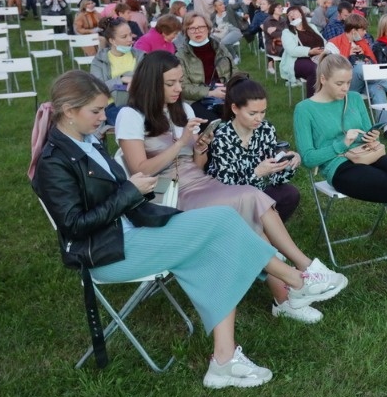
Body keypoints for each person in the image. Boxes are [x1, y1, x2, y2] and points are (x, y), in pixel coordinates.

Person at [30, 70, 334, 388]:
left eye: (104, 108)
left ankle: (225, 359)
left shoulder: (87, 142)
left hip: (132, 229)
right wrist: (129, 192)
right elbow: (75, 227)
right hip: (106, 251)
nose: (104, 117)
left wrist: (136, 192)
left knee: (222, 230)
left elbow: (115, 195)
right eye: (96, 111)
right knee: (222, 223)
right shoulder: (55, 161)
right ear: (68, 111)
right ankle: (297, 281)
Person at [117, 51, 345, 324]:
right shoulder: (131, 116)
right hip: (165, 195)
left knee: (251, 203)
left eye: (180, 81)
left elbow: (196, 165)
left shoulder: (183, 110)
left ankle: (298, 281)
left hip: (198, 182)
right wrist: (180, 144)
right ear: (152, 83)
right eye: (171, 83)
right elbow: (139, 170)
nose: (179, 88)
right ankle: (298, 282)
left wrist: (200, 148)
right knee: (248, 200)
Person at [294, 54, 387, 295]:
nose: (345, 88)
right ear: (323, 79)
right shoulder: (305, 109)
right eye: (339, 83)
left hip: (368, 156)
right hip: (339, 167)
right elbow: (308, 158)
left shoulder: (353, 99)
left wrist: (371, 136)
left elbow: (365, 131)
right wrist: (341, 143)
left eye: (348, 82)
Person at [207, 75, 301, 223]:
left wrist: (288, 165)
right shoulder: (222, 138)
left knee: (290, 194)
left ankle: (263, 232)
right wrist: (257, 173)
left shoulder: (266, 129)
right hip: (230, 202)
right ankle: (260, 233)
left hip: (258, 193)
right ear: (235, 109)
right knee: (253, 204)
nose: (259, 118)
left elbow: (275, 179)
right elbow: (227, 188)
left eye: (262, 112)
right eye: (252, 113)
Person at [325, 13, 387, 140]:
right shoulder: (332, 44)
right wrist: (347, 54)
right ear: (353, 31)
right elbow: (331, 69)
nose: (365, 32)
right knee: (358, 68)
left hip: (365, 81)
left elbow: (373, 64)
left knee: (377, 87)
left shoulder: (362, 43)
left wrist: (365, 55)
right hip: (345, 84)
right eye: (363, 30)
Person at [174, 11, 233, 121]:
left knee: (243, 115)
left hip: (225, 93)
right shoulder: (180, 56)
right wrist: (210, 93)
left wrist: (230, 89)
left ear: (208, 28)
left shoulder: (220, 48)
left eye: (201, 27)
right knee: (215, 123)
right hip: (196, 100)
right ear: (186, 31)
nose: (197, 31)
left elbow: (234, 72)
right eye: (192, 28)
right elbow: (183, 87)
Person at [90, 17, 144, 125]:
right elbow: (97, 89)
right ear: (112, 40)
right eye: (124, 37)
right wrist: (122, 80)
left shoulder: (140, 56)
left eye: (130, 34)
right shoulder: (99, 61)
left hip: (140, 103)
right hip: (112, 106)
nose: (130, 39)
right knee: (129, 118)